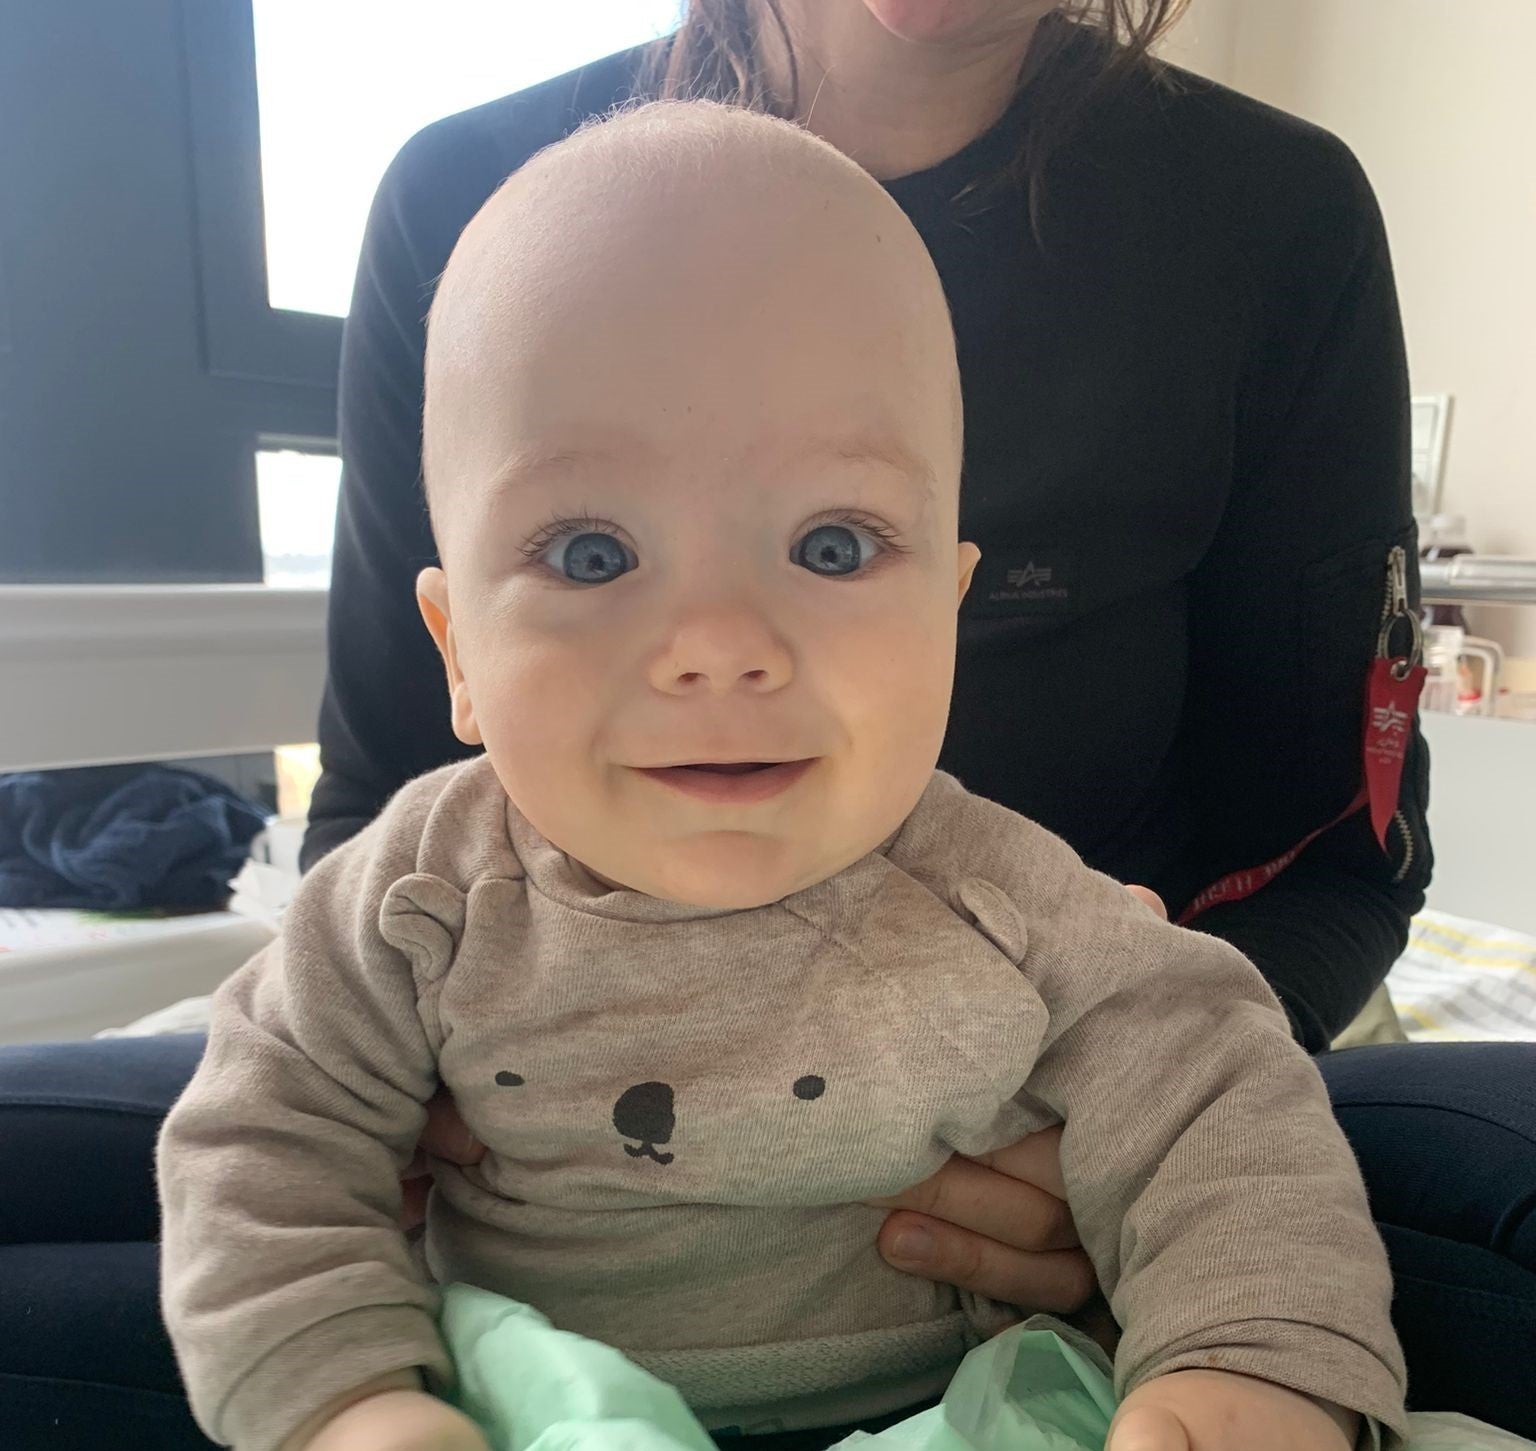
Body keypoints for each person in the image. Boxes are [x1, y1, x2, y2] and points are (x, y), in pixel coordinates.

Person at [1, 2, 1533, 1447]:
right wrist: (351, 1393)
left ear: (952, 600)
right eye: (594, 556)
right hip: (507, 1354)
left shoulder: (1017, 905)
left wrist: (1237, 1339)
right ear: (457, 649)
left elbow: (1228, 1064)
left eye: (834, 547)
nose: (723, 649)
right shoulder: (415, 901)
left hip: (973, 1355)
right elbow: (261, 1138)